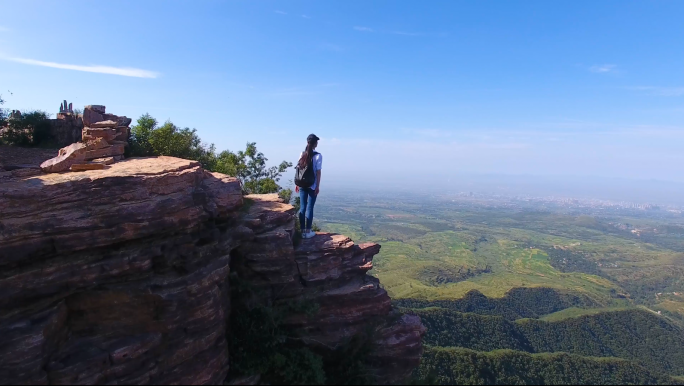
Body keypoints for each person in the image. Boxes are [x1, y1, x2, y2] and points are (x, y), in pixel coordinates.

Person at [295, 134, 322, 239]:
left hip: (301, 184)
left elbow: (298, 170)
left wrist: (297, 184)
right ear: (315, 143)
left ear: (307, 142)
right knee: (310, 208)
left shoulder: (302, 154)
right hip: (312, 185)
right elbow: (318, 172)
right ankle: (308, 231)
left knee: (302, 208)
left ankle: (302, 232)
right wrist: (317, 186)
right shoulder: (318, 156)